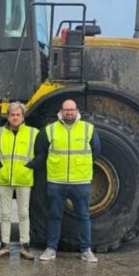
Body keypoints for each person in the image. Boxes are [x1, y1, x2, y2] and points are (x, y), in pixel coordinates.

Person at [28, 99, 100, 263]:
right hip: (57, 181)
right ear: (61, 111)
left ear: (77, 110)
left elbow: (95, 152)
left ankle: (86, 250)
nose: (69, 112)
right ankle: (51, 248)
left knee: (83, 216)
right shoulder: (50, 130)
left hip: (80, 181)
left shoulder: (88, 129)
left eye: (72, 109)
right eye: (66, 109)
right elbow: (41, 152)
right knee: (54, 216)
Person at [0, 102, 36, 260]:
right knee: (5, 214)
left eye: (18, 115)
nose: (15, 118)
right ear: (8, 116)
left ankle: (25, 246)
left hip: (23, 178)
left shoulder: (33, 133)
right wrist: (0, 168)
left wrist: (29, 166)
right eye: (12, 115)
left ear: (23, 117)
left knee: (24, 213)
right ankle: (4, 246)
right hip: (5, 179)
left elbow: (42, 154)